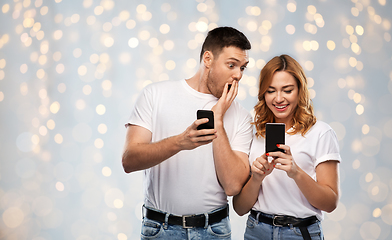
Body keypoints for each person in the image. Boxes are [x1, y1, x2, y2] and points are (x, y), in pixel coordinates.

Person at [122, 26, 253, 239]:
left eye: (243, 68)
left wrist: (217, 118)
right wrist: (181, 142)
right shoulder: (155, 95)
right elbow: (129, 160)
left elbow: (233, 186)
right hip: (160, 229)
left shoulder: (241, 116)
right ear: (208, 59)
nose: (238, 75)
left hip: (214, 230)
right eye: (231, 65)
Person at [233, 54, 341, 240]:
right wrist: (256, 178)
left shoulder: (320, 133)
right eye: (271, 90)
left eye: (287, 90)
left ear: (300, 90)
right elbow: (239, 208)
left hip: (300, 233)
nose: (279, 98)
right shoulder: (256, 135)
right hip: (257, 231)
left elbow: (330, 203)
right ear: (263, 93)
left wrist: (296, 172)